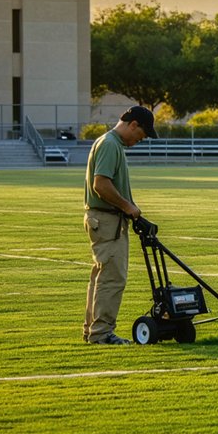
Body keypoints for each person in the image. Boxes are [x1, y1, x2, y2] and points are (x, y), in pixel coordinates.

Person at [82, 105, 158, 345]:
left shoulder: (111, 144)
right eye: (141, 135)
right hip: (107, 220)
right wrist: (128, 207)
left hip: (107, 220)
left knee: (101, 277)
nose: (140, 140)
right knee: (112, 279)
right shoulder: (110, 145)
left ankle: (93, 330)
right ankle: (102, 334)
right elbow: (100, 185)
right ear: (133, 124)